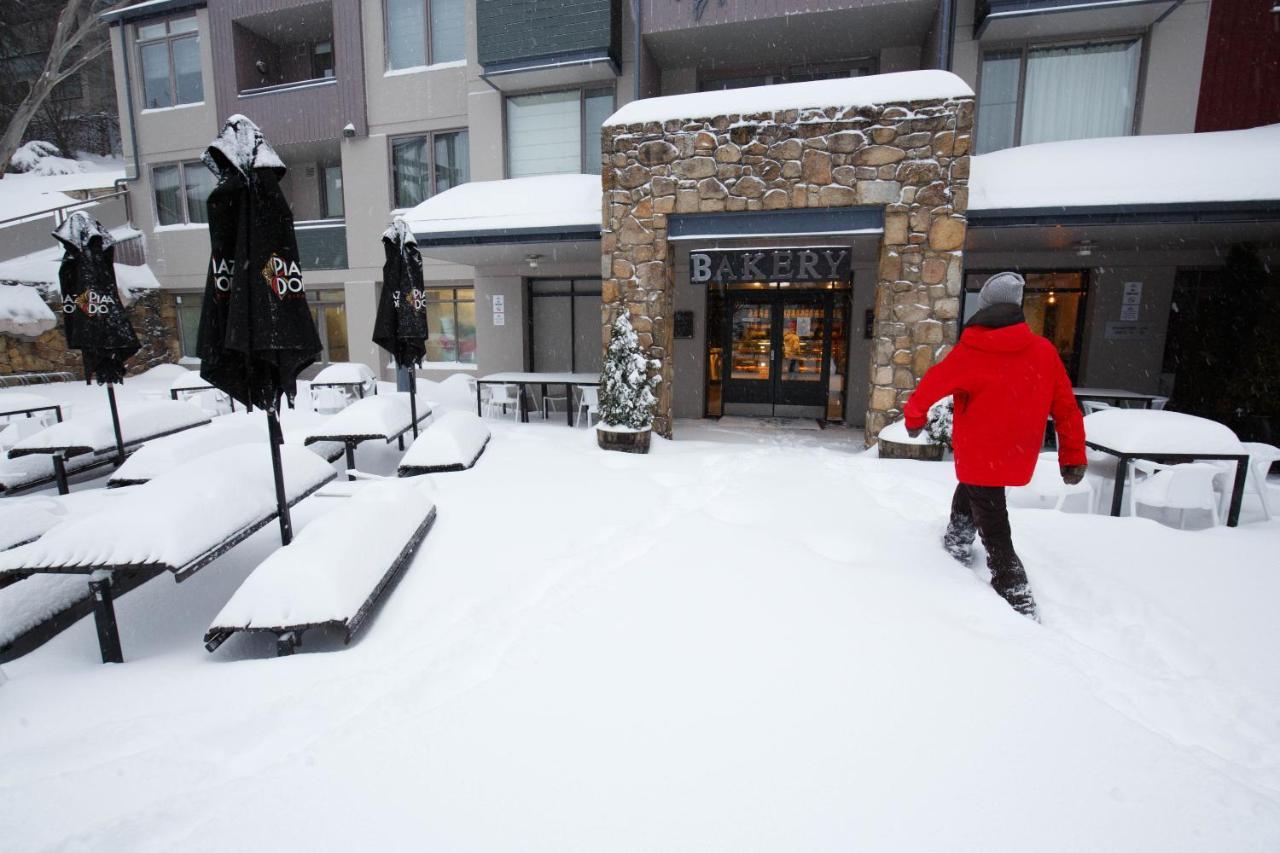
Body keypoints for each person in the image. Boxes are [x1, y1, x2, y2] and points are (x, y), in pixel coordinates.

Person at [902, 272, 1087, 621]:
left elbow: (930, 386)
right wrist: (1072, 456)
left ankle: (1015, 591)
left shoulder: (972, 352)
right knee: (975, 489)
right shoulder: (1044, 352)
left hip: (978, 453)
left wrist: (914, 418)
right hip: (1017, 454)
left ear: (984, 307)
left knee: (995, 528)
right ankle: (956, 540)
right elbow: (1066, 408)